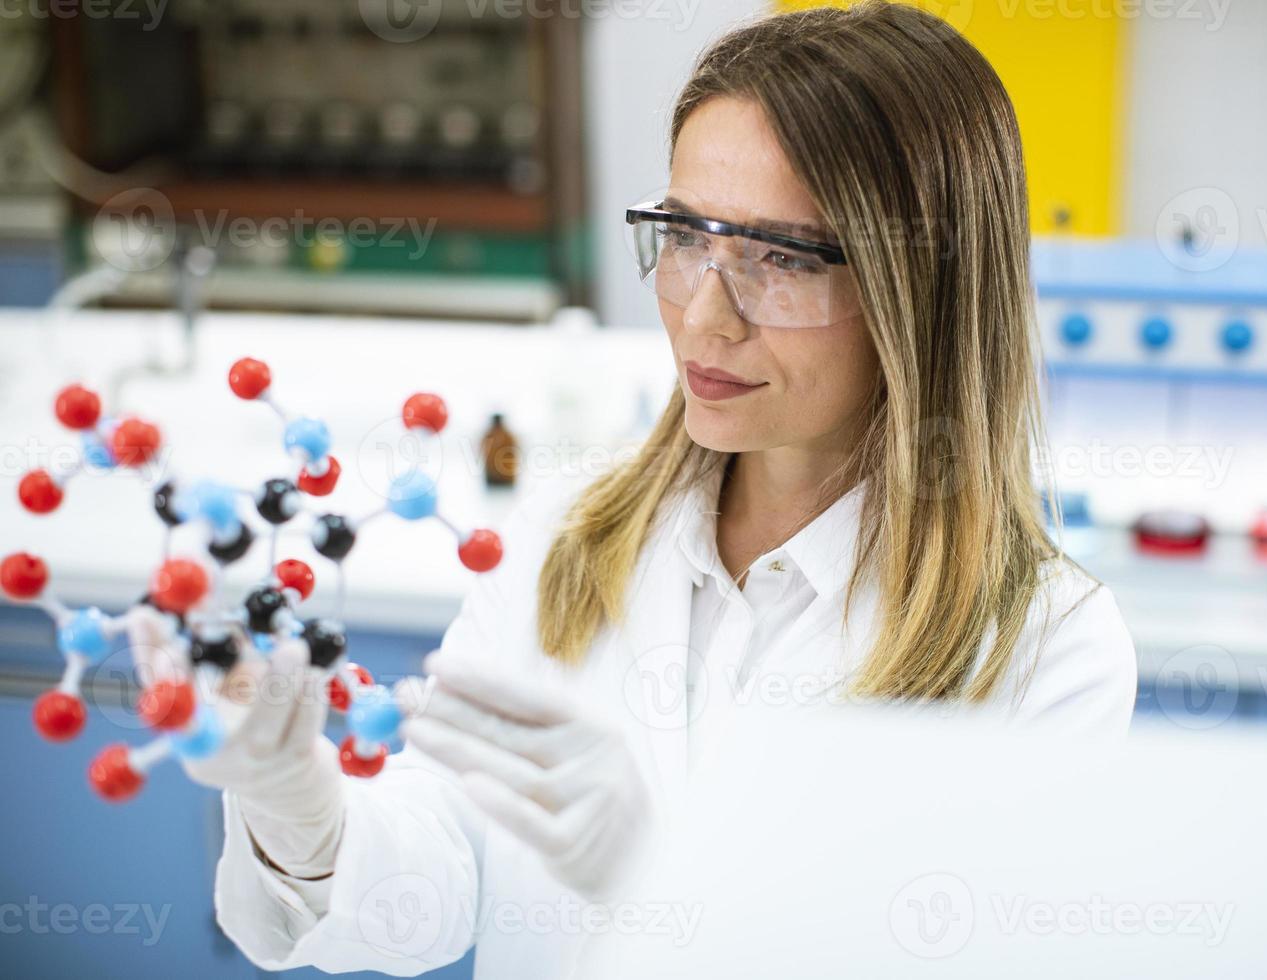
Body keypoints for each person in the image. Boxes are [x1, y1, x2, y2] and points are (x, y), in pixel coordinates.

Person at [128, 3, 1136, 976]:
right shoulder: (571, 533)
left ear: (924, 287)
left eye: (780, 257)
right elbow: (441, 877)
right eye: (687, 235)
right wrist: (302, 815)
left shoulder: (1049, 651)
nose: (704, 314)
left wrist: (655, 888)